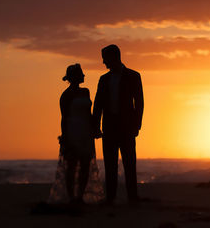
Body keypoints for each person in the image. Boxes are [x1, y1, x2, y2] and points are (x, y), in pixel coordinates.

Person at [92, 44, 144, 205]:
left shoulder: (133, 76)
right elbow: (98, 104)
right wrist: (95, 126)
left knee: (129, 162)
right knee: (110, 164)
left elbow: (139, 103)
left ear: (114, 57)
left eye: (105, 59)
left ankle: (132, 197)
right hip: (109, 127)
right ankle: (110, 198)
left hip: (127, 127)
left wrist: (137, 125)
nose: (103, 63)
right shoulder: (104, 79)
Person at [48, 64, 104, 204]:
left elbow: (89, 113)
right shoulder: (66, 96)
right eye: (80, 74)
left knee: (85, 164)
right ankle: (71, 196)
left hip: (86, 131)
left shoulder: (86, 92)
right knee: (71, 165)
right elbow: (64, 117)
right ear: (73, 77)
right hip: (73, 131)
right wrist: (65, 136)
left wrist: (95, 128)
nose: (83, 76)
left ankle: (79, 196)